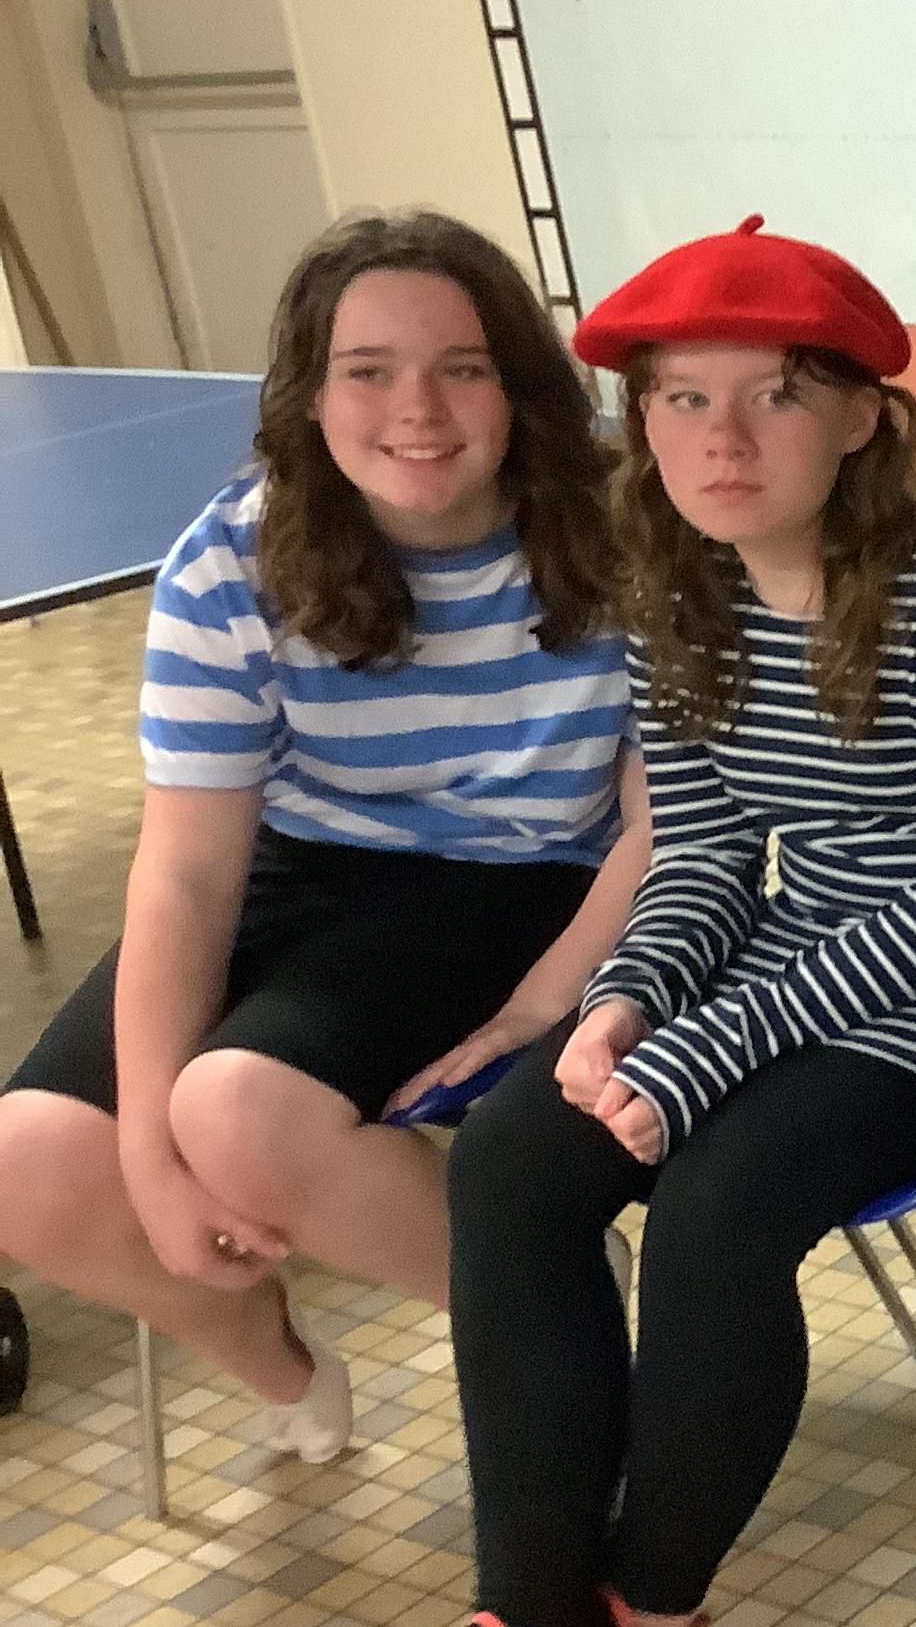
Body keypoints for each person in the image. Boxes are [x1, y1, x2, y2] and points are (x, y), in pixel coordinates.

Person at [249, 217, 916, 1627]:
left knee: (723, 1201)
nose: (721, 441)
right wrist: (625, 1001)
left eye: (774, 396)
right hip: (832, 949)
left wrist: (707, 1051)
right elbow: (715, 850)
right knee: (518, 1157)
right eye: (679, 400)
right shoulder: (682, 596)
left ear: (861, 416)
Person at [0, 210, 635, 1462]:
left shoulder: (627, 537)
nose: (418, 410)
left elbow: (672, 823)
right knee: (28, 1160)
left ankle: (555, 1309)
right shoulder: (231, 561)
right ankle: (283, 1371)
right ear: (310, 394)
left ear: (520, 388)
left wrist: (543, 1000)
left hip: (528, 874)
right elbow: (189, 875)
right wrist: (149, 1161)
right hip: (308, 867)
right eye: (368, 371)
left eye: (463, 368)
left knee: (241, 1110)